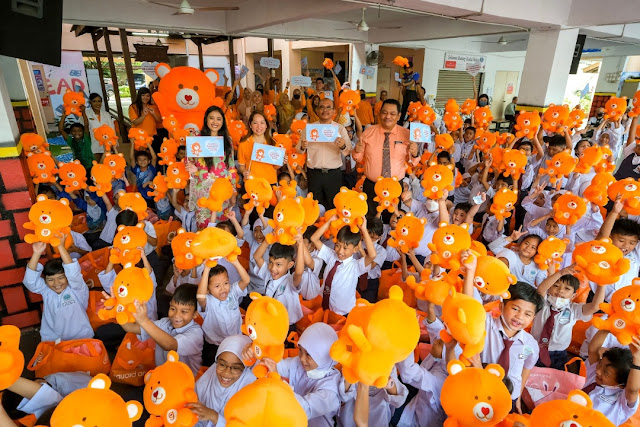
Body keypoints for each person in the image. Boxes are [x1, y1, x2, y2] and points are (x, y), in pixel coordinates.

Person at [463, 258, 543, 413]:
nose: (520, 317)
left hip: (508, 398)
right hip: (479, 392)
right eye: (515, 309)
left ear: (533, 317)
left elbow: (526, 369)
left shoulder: (530, 344)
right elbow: (469, 304)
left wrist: (518, 397)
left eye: (527, 314)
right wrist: (470, 272)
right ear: (501, 306)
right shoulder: (486, 324)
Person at [247, 322, 342, 427]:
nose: (302, 358)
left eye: (309, 354)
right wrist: (255, 353)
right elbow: (274, 365)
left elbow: (304, 408)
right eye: (300, 350)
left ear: (323, 355)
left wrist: (278, 381)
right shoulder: (299, 364)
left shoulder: (331, 389)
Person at [531, 265, 606, 370]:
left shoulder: (574, 309)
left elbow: (595, 306)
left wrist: (602, 284)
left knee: (555, 380)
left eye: (567, 288)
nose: (560, 290)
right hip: (534, 348)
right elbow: (541, 289)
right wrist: (560, 273)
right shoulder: (542, 302)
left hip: (558, 354)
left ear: (573, 296)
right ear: (549, 289)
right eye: (556, 286)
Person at [352, 99, 420, 215]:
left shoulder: (407, 134)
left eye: (392, 114)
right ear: (379, 113)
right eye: (384, 112)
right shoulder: (369, 132)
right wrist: (356, 151)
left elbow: (412, 163)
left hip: (394, 186)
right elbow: (357, 158)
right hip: (372, 185)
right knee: (371, 221)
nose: (387, 116)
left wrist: (415, 154)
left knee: (392, 220)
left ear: (398, 116)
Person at [122, 283, 204, 375]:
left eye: (184, 312)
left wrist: (144, 321)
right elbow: (132, 328)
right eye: (173, 309)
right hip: (162, 378)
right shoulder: (165, 322)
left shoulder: (196, 333)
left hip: (185, 384)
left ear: (195, 314)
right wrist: (118, 311)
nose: (176, 315)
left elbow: (170, 345)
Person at [23, 237, 93, 342]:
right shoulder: (46, 290)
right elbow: (30, 282)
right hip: (53, 339)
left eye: (61, 278)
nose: (56, 283)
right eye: (50, 279)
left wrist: (61, 247)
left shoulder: (77, 288)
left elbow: (73, 273)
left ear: (67, 277)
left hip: (82, 337)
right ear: (45, 281)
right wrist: (36, 253)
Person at [311, 218, 377, 315]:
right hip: (324, 307)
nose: (340, 251)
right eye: (338, 245)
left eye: (345, 248)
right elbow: (314, 239)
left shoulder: (355, 266)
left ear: (355, 249)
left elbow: (372, 255)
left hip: (344, 313)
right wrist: (329, 222)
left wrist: (364, 230)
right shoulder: (331, 255)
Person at [186, 106, 237, 229]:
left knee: (221, 229)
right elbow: (188, 161)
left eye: (219, 119)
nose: (215, 122)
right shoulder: (196, 138)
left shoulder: (227, 141)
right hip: (203, 192)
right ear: (206, 119)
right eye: (212, 118)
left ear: (223, 122)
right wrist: (191, 167)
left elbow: (231, 168)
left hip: (221, 192)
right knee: (204, 228)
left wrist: (233, 192)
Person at [189, 334, 256, 427]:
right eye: (222, 364)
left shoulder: (250, 393)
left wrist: (215, 417)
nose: (226, 373)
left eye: (235, 368)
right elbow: (193, 417)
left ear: (244, 368)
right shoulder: (205, 382)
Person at [297, 97, 351, 209]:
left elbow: (348, 150)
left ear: (333, 111)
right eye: (321, 107)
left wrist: (343, 146)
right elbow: (298, 150)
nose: (325, 110)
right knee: (315, 207)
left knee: (333, 207)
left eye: (328, 107)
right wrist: (303, 146)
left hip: (333, 174)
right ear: (317, 110)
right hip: (314, 174)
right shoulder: (309, 129)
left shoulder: (340, 129)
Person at [197, 260, 251, 366]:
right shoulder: (208, 301)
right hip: (214, 345)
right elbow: (200, 296)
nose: (223, 289)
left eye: (226, 283)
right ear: (207, 289)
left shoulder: (233, 292)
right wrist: (207, 269)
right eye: (217, 286)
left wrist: (235, 262)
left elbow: (246, 281)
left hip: (236, 343)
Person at [586, 330, 640, 425]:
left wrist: (636, 359)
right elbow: (592, 350)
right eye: (600, 364)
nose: (598, 371)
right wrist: (607, 327)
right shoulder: (595, 375)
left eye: (606, 373)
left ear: (621, 385)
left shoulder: (622, 401)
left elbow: (632, 390)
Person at [254, 240, 303, 325]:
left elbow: (298, 273)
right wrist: (268, 240)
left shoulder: (290, 282)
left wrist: (300, 245)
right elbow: (257, 257)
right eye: (270, 262)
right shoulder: (269, 274)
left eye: (278, 264)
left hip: (285, 327)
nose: (273, 268)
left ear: (290, 265)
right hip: (270, 320)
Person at [237, 110, 280, 185]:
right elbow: (241, 165)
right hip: (251, 182)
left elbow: (276, 167)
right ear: (250, 125)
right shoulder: (243, 144)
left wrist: (281, 161)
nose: (259, 126)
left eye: (262, 123)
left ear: (266, 125)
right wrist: (244, 172)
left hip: (269, 182)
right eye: (255, 123)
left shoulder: (273, 143)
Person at [58, 106, 94, 171]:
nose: (77, 133)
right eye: (74, 131)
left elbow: (86, 125)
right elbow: (61, 130)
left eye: (79, 131)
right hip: (78, 167)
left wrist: (83, 112)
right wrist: (63, 116)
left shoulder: (86, 139)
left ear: (83, 132)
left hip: (90, 166)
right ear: (71, 132)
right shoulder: (71, 141)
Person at [85, 92, 116, 162]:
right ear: (90, 102)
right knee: (96, 166)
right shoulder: (86, 114)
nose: (97, 104)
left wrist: (114, 144)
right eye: (94, 101)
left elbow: (112, 130)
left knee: (107, 165)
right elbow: (84, 130)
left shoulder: (106, 114)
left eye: (99, 101)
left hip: (107, 145)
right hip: (93, 145)